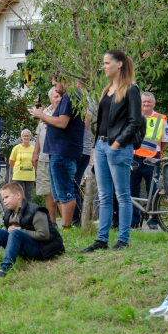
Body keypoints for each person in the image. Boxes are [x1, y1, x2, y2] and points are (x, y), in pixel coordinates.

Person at [81, 50, 144, 252]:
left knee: (122, 196)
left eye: (107, 63)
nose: (104, 66)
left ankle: (123, 239)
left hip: (119, 148)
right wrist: (94, 149)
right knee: (105, 196)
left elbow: (135, 122)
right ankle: (101, 240)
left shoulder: (131, 89)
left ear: (119, 64)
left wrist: (116, 144)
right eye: (103, 63)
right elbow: (101, 123)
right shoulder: (106, 89)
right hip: (100, 146)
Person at [0, 182, 65, 281]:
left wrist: (20, 230)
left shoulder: (36, 211)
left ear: (18, 195)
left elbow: (44, 235)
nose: (4, 201)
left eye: (7, 197)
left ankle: (5, 268)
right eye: (3, 198)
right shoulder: (8, 213)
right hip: (22, 247)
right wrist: (8, 231)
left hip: (41, 249)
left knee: (15, 233)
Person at [30, 73, 86, 231]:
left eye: (55, 85)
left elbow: (62, 122)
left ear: (64, 81)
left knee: (65, 191)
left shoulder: (71, 96)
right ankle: (66, 227)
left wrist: (42, 114)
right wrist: (46, 118)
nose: (55, 88)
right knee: (57, 192)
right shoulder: (69, 97)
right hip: (58, 151)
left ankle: (67, 227)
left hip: (64, 152)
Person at [130, 91, 168, 229]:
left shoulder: (160, 119)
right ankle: (134, 221)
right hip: (134, 158)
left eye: (149, 101)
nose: (146, 104)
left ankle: (153, 220)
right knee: (132, 191)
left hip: (152, 160)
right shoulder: (133, 116)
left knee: (153, 191)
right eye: (143, 102)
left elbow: (165, 141)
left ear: (154, 103)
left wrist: (155, 153)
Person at [32, 88, 60, 224]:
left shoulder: (64, 112)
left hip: (58, 155)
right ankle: (52, 223)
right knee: (48, 192)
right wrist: (35, 153)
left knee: (60, 190)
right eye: (55, 96)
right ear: (50, 99)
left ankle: (68, 223)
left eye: (60, 96)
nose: (58, 99)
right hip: (43, 157)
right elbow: (39, 134)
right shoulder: (44, 112)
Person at [71, 80, 94, 226]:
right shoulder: (85, 100)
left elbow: (83, 126)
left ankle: (77, 220)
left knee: (74, 184)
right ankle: (77, 219)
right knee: (73, 184)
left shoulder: (87, 102)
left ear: (77, 84)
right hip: (79, 148)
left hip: (82, 148)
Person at [9, 129, 36, 201]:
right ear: (21, 137)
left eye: (28, 136)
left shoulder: (34, 149)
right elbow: (11, 161)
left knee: (28, 195)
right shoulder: (16, 148)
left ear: (30, 137)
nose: (26, 137)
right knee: (17, 195)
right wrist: (15, 169)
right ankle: (17, 211)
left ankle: (28, 211)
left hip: (30, 176)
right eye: (24, 136)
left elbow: (36, 161)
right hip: (18, 175)